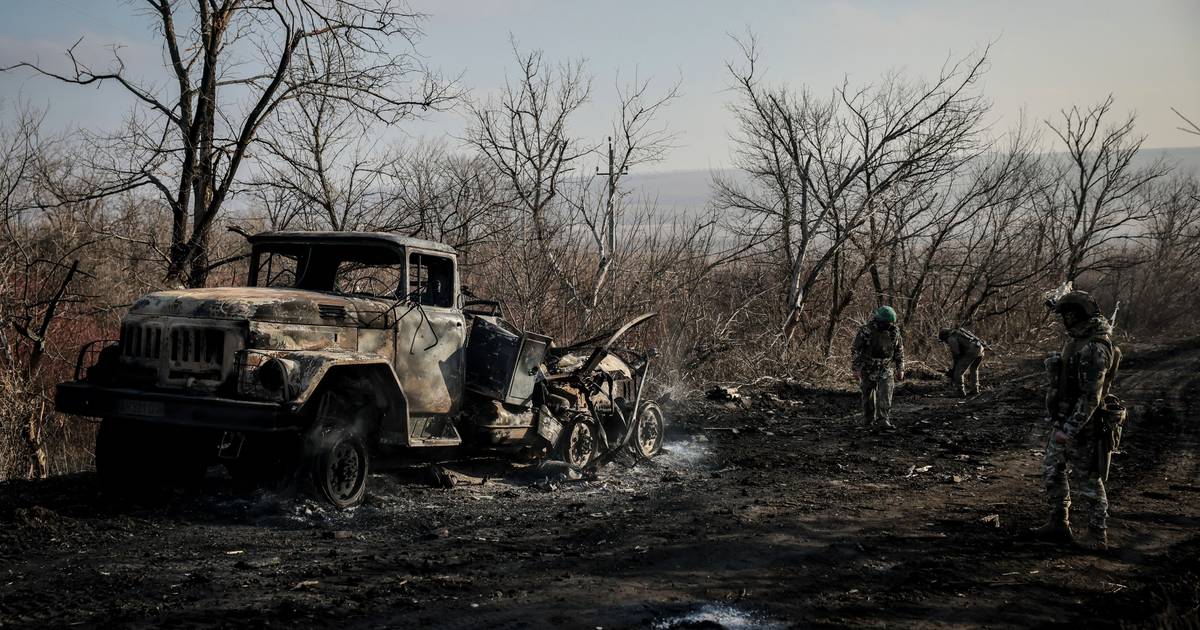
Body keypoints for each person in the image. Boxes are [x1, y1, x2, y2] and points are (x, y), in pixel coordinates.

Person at [1032, 290, 1122, 551]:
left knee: (1089, 480)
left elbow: (1091, 397)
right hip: (1063, 418)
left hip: (1085, 425)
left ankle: (1097, 535)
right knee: (1052, 469)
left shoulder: (1096, 347)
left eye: (1068, 315)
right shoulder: (1079, 339)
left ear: (1078, 316)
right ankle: (1058, 523)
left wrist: (1070, 429)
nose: (1065, 321)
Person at [851, 306, 905, 429]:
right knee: (868, 396)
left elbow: (899, 350)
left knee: (885, 394)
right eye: (886, 323)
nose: (888, 325)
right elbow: (856, 350)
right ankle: (868, 419)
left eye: (890, 323)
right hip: (868, 368)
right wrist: (856, 368)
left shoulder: (894, 332)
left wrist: (900, 368)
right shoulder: (866, 331)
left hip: (886, 368)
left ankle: (883, 419)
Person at [938, 327, 986, 397]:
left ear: (945, 337)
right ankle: (975, 390)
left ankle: (960, 392)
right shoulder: (959, 333)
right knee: (974, 369)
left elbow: (956, 353)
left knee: (958, 372)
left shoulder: (951, 338)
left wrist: (955, 367)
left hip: (972, 351)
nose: (945, 342)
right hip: (980, 349)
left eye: (944, 341)